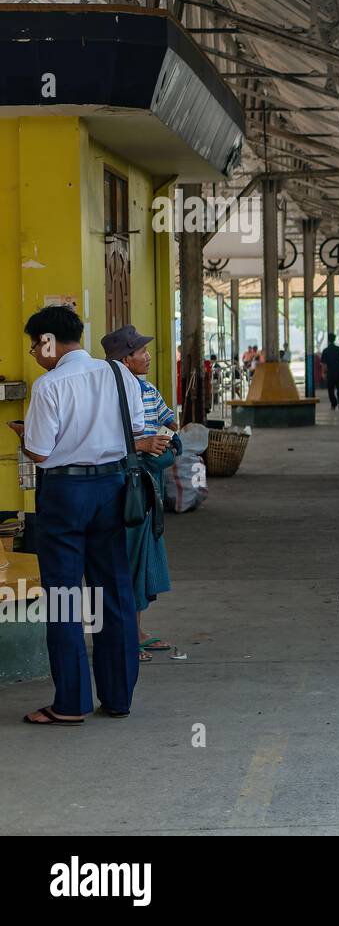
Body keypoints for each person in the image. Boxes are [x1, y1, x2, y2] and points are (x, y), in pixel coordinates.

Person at [6, 306, 150, 724]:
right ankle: (119, 697)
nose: (34, 353)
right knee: (115, 594)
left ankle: (70, 703)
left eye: (35, 345)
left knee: (66, 597)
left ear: (49, 341)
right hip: (113, 488)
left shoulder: (49, 385)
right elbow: (135, 431)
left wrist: (24, 433)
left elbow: (41, 451)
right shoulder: (120, 374)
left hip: (65, 493)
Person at [102, 325, 178, 663]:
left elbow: (169, 422)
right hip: (126, 482)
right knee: (127, 555)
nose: (148, 356)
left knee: (145, 555)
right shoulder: (108, 394)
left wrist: (166, 438)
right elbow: (99, 440)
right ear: (125, 359)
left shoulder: (147, 389)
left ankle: (137, 628)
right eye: (141, 352)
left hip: (150, 483)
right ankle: (125, 635)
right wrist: (142, 444)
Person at [320, 333, 339, 411]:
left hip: (330, 373)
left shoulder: (325, 351)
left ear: (328, 340)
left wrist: (324, 373)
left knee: (330, 390)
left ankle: (333, 403)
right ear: (335, 339)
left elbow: (324, 364)